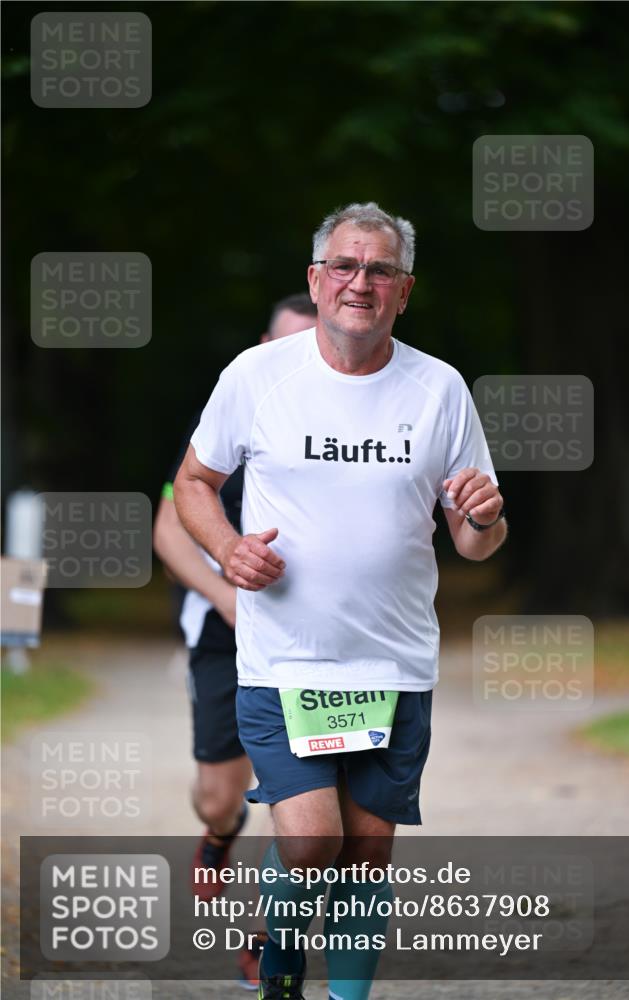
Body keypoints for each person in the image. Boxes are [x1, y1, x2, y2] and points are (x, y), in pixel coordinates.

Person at [174, 202, 506, 1000]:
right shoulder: (257, 376)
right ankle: (281, 963)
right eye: (346, 266)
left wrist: (485, 519)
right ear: (317, 280)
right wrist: (228, 548)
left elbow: (473, 539)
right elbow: (194, 483)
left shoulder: (439, 388)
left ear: (404, 289)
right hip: (287, 659)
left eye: (380, 270)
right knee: (313, 842)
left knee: (366, 852)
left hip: (391, 663)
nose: (362, 282)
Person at [153, 293, 318, 989]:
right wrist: (226, 599)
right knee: (220, 798)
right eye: (284, 347)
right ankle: (218, 836)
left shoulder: (357, 418)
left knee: (308, 807)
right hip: (228, 634)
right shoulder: (230, 410)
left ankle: (270, 936)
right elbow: (168, 530)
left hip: (316, 636)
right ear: (260, 347)